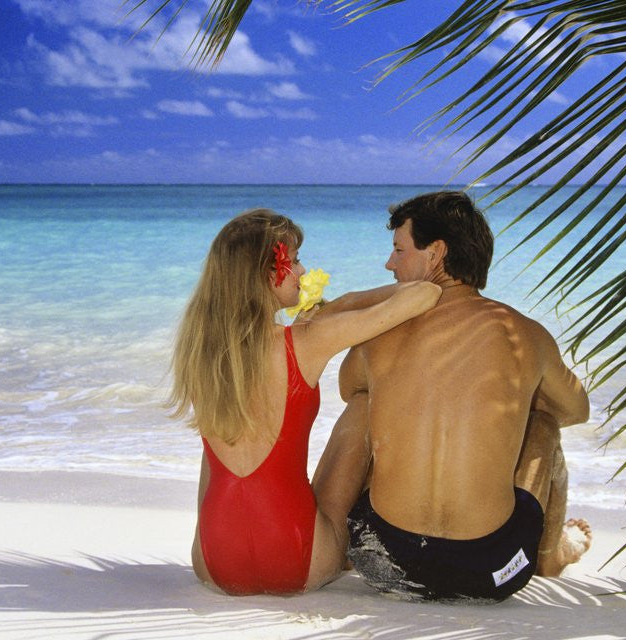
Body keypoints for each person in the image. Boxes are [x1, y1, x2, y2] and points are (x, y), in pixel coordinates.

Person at [321, 190, 592, 602]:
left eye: (398, 250)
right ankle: (547, 556)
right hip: (494, 572)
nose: (389, 264)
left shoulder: (379, 333)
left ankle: (330, 540)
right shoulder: (525, 334)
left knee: (364, 401)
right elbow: (576, 409)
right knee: (544, 423)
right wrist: (513, 401)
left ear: (436, 254)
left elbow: (347, 389)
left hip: (383, 561)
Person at [168, 208, 441, 596]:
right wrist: (343, 305)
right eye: (293, 261)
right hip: (295, 559)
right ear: (266, 272)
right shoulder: (306, 342)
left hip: (213, 561)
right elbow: (423, 295)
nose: (301, 271)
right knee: (363, 402)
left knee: (218, 435)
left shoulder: (200, 352)